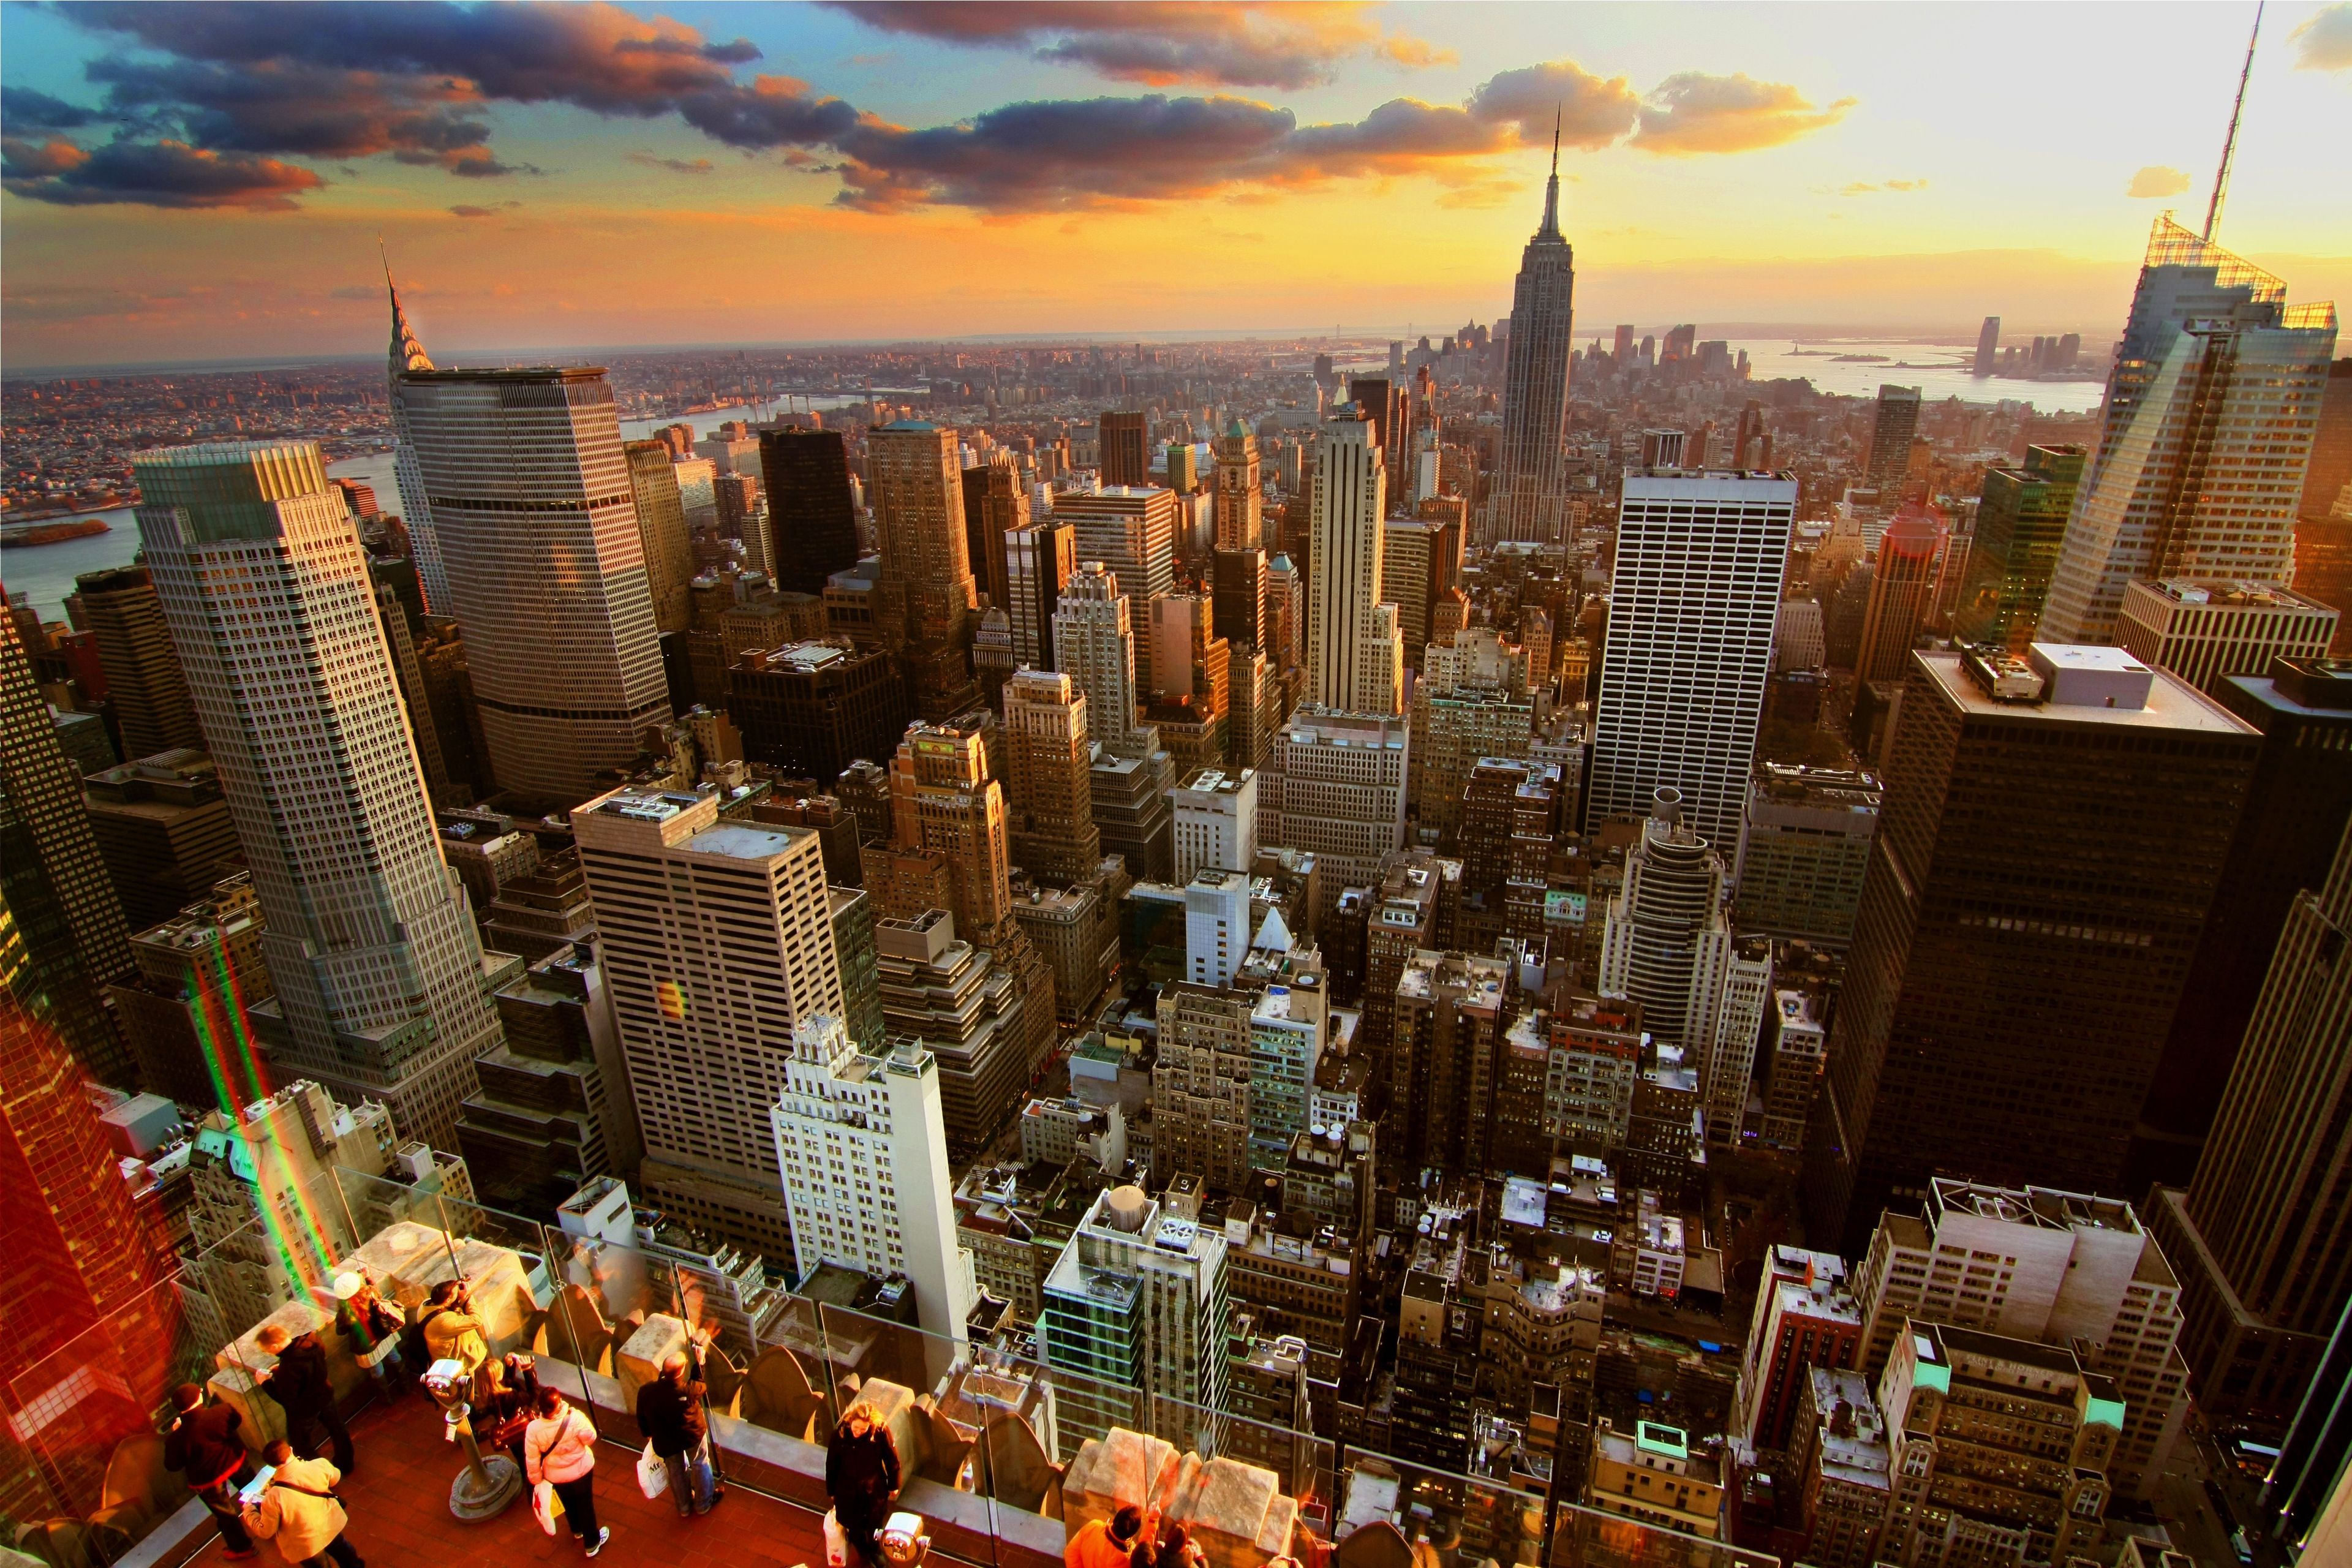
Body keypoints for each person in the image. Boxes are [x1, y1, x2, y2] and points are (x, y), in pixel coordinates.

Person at [164, 1382, 255, 1561]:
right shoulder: (222, 1411)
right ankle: (273, 1518)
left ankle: (242, 1548)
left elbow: (172, 1465)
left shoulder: (177, 1438)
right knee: (254, 1490)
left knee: (226, 1514)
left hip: (207, 1479)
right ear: (199, 1398)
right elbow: (236, 1422)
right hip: (234, 1460)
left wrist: (177, 1433)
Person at [240, 1438, 363, 1568]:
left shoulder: (273, 1497)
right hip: (329, 1524)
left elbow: (265, 1531)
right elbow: (335, 1478)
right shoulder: (318, 1465)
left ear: (272, 1465)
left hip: (305, 1545)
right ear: (291, 1450)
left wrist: (249, 1511)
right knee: (344, 1553)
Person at [254, 1323, 355, 1472]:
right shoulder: (312, 1341)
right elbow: (306, 1369)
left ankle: (320, 1473)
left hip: (306, 1408)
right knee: (337, 1429)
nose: (268, 1353)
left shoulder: (289, 1367)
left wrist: (266, 1383)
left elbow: (287, 1399)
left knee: (300, 1445)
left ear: (275, 1346)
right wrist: (281, 1369)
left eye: (266, 1350)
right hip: (324, 1394)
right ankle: (346, 1463)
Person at [525, 1385, 608, 1558]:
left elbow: (532, 1458)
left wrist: (536, 1478)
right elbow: (590, 1438)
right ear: (558, 1404)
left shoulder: (533, 1429)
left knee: (568, 1502)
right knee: (585, 1504)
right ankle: (592, 1543)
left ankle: (577, 1530)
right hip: (581, 1471)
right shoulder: (574, 1418)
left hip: (556, 1475)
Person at [635, 1350, 715, 1517]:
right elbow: (700, 1385)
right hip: (691, 1435)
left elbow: (641, 1415)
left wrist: (648, 1433)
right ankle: (703, 1504)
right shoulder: (686, 1391)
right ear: (681, 1372)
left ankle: (684, 1507)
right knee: (700, 1463)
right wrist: (700, 1363)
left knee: (675, 1470)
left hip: (665, 1441)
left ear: (663, 1371)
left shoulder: (647, 1391)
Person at [826, 1405, 901, 1568]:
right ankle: (864, 1553)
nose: (858, 1432)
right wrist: (831, 1490)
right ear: (850, 1421)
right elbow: (832, 1463)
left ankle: (875, 1550)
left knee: (875, 1521)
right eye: (856, 1427)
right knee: (854, 1525)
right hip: (848, 1488)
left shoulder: (880, 1432)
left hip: (873, 1488)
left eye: (863, 1428)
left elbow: (891, 1459)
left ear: (871, 1425)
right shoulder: (840, 1433)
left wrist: (894, 1484)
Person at [331, 1272, 407, 1399]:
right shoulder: (371, 1294)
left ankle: (386, 1398)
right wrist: (368, 1277)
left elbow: (341, 1331)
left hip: (367, 1346)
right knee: (395, 1357)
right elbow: (379, 1293)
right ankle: (406, 1387)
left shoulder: (345, 1313)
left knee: (377, 1372)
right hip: (383, 1335)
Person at [478, 1354, 541, 1472]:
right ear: (497, 1378)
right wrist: (528, 1370)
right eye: (500, 1370)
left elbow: (505, 1383)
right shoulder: (509, 1397)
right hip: (524, 1431)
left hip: (511, 1434)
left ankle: (526, 1475)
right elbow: (533, 1394)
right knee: (531, 1457)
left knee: (522, 1459)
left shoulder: (489, 1394)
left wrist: (510, 1367)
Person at [418, 1280, 489, 1384]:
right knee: (469, 1388)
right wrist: (468, 1297)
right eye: (456, 1294)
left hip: (445, 1358)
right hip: (461, 1364)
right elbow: (476, 1320)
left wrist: (454, 1292)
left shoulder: (426, 1305)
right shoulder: (443, 1321)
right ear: (447, 1301)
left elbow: (448, 1307)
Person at [1065, 1504, 1149, 1568]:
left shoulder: (1094, 1527)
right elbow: (1147, 1551)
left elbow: (1070, 1553)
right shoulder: (1130, 1559)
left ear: (1116, 1518)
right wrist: (1153, 1521)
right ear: (1133, 1534)